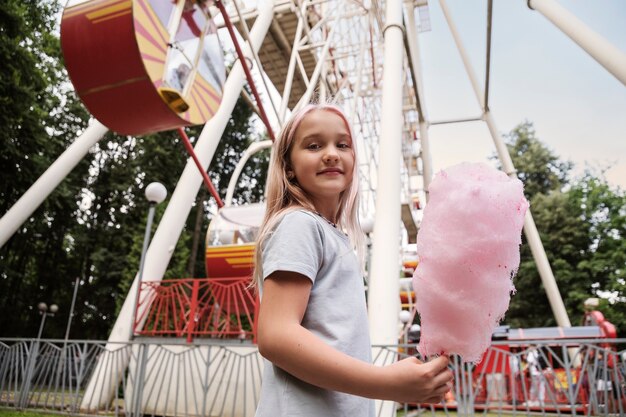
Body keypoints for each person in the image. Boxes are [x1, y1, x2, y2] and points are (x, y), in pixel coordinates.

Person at [253, 103, 453, 417]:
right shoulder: (299, 224)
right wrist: (386, 382)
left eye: (342, 144)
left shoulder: (336, 236)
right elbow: (276, 335)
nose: (331, 153)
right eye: (314, 145)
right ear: (288, 166)